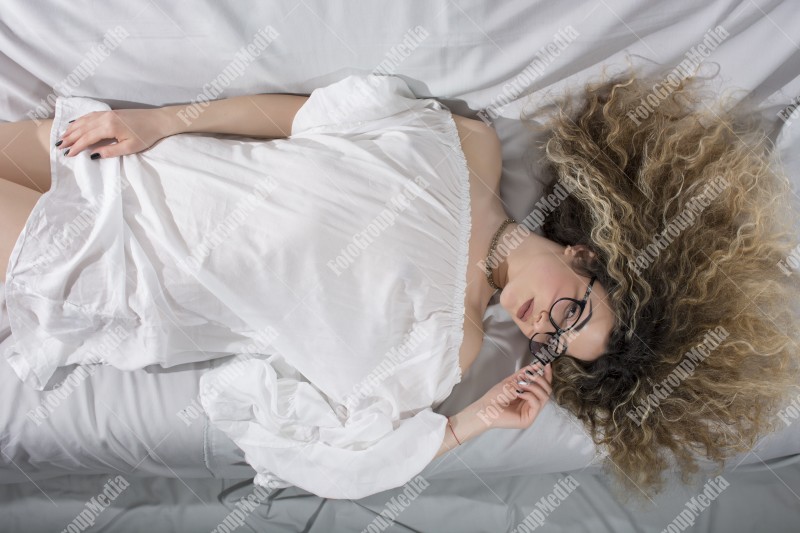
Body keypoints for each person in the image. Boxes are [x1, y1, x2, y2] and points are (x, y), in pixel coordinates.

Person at [0, 69, 796, 500]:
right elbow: (301, 118)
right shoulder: (471, 145)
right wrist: (165, 120)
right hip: (138, 162)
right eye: (572, 308)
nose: (541, 324)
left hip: (123, 275)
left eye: (556, 339)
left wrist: (474, 420)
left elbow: (337, 464)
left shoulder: (449, 348)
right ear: (589, 257)